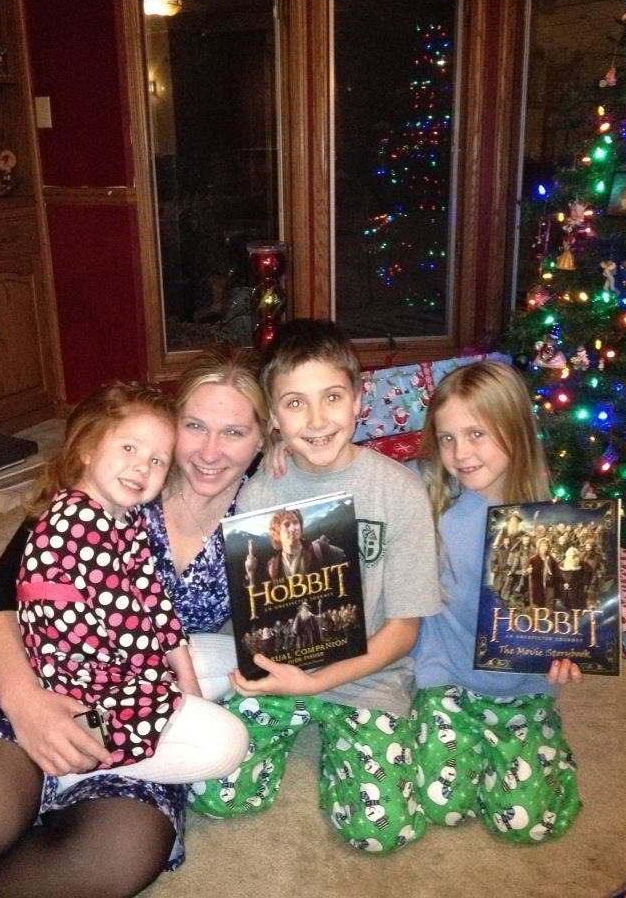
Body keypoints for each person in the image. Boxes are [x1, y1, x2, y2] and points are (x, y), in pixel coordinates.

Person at [0, 346, 269, 897]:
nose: (210, 451)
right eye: (194, 426)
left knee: (119, 853)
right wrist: (25, 702)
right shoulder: (110, 487)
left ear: (262, 439)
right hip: (34, 658)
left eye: (234, 432)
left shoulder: (266, 510)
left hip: (134, 693)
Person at [189, 318, 442, 853]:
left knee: (384, 832)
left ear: (358, 400)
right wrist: (285, 679)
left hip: (369, 676)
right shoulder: (259, 492)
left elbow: (404, 631)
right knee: (214, 795)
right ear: (274, 419)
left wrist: (320, 683)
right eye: (295, 403)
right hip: (278, 672)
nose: (317, 419)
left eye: (332, 397)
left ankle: (358, 747)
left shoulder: (400, 492)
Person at [14, 381, 247, 788]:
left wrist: (186, 681)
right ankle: (82, 763)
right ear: (87, 449)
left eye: (157, 460)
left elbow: (153, 598)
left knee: (238, 657)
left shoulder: (125, 516)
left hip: (116, 666)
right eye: (129, 448)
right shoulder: (78, 521)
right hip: (84, 692)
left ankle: (169, 720)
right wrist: (169, 692)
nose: (142, 467)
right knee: (230, 744)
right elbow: (130, 628)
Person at [411, 360, 582, 845]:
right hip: (443, 678)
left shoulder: (552, 521)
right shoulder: (428, 492)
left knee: (527, 824)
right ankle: (471, 749)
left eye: (476, 434)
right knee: (441, 806)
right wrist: (286, 455)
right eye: (447, 437)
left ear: (515, 430)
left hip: (525, 687)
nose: (460, 453)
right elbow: (357, 477)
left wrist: (570, 653)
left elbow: (570, 619)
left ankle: (541, 756)